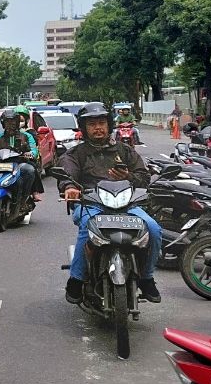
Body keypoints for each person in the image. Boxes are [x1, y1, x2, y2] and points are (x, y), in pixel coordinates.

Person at [57, 102, 162, 304]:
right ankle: (76, 279)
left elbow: (143, 177)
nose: (98, 127)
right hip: (91, 203)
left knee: (154, 229)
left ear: (109, 125)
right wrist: (70, 187)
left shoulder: (125, 150)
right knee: (87, 228)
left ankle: (147, 278)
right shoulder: (76, 153)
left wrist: (129, 176)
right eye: (92, 124)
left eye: (102, 123)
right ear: (84, 127)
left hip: (127, 205)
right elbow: (66, 174)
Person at [0, 108, 39, 207]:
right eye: (7, 122)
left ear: (17, 123)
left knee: (30, 170)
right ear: (3, 124)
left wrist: (30, 153)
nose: (10, 125)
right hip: (0, 164)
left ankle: (24, 197)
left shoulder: (27, 136)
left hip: (19, 163)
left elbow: (34, 150)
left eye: (13, 122)